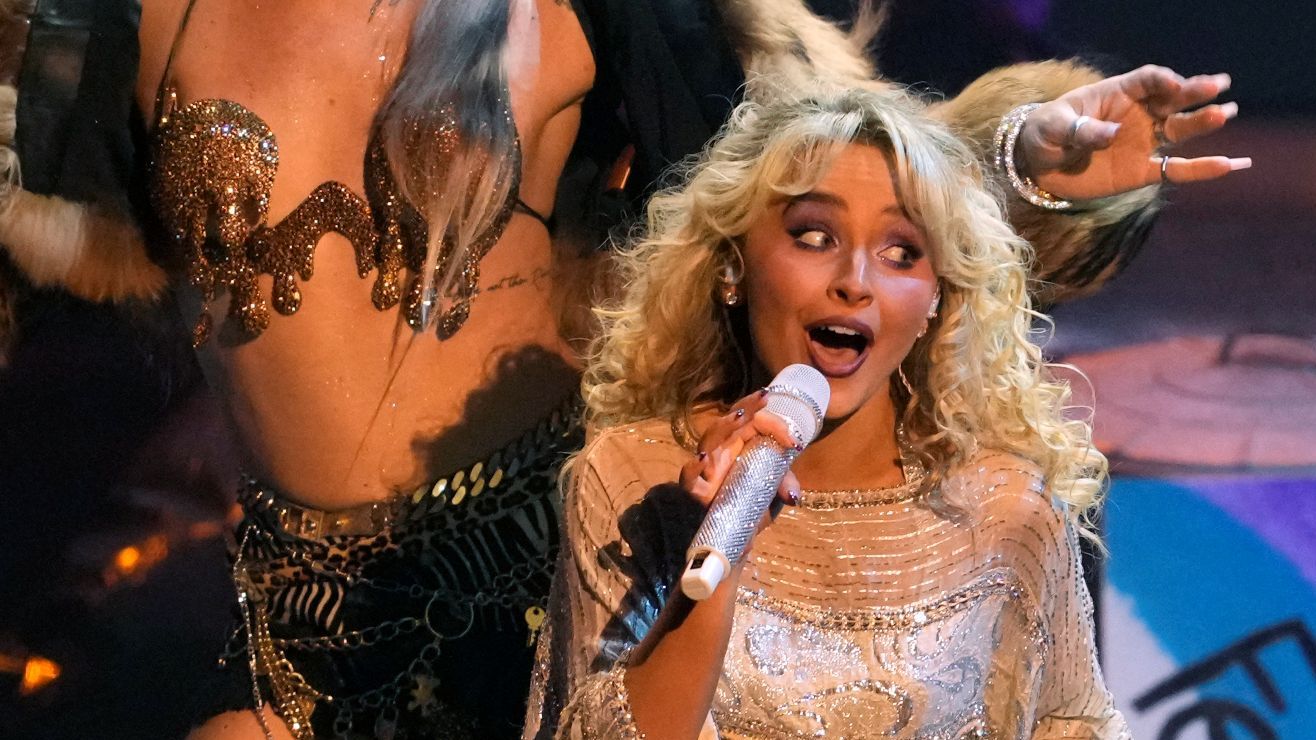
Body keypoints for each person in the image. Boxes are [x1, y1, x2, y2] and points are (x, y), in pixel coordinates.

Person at [0, 1, 1244, 738]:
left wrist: (1015, 154)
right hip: (303, 626)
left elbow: (814, 185)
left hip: (563, 579)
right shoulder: (119, 15)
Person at [524, 78, 1242, 739]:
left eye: (902, 252)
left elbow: (1073, 724)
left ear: (935, 300)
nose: (856, 282)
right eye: (814, 236)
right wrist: (720, 550)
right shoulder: (631, 480)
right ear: (733, 264)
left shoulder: (1004, 509)